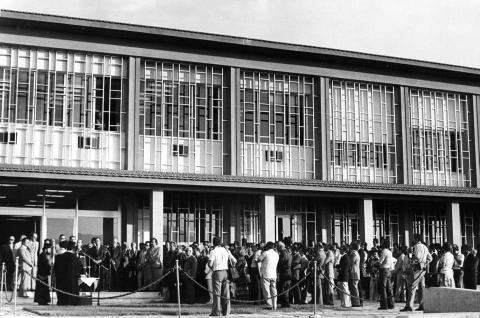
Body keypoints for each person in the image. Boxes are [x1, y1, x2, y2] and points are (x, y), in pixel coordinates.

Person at [401, 234, 432, 312]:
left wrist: (412, 260)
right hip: (423, 269)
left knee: (412, 287)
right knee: (421, 287)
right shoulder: (425, 247)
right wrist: (425, 263)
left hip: (416, 268)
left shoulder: (416, 247)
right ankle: (422, 305)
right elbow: (430, 258)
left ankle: (409, 306)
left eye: (414, 239)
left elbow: (416, 258)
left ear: (416, 239)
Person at [208, 237, 236, 316]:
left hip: (217, 272)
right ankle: (226, 311)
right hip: (226, 272)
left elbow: (210, 264)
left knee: (217, 294)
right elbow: (234, 260)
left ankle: (216, 312)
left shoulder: (213, 251)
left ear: (214, 243)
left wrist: (212, 268)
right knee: (226, 293)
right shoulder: (226, 250)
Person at [54, 240, 85, 305]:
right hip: (71, 280)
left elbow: (55, 269)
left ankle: (62, 302)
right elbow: (80, 268)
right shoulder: (74, 257)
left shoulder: (58, 257)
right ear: (73, 249)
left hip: (61, 280)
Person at [258, 241, 279, 310]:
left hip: (266, 274)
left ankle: (269, 304)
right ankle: (274, 304)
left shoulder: (265, 253)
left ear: (267, 246)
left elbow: (258, 259)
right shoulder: (276, 254)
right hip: (273, 274)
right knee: (274, 290)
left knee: (266, 290)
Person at [377, 240, 394, 310]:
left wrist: (374, 265)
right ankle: (391, 304)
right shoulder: (390, 252)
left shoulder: (384, 251)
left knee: (383, 288)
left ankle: (384, 305)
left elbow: (380, 261)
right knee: (389, 288)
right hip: (388, 270)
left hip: (383, 270)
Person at [34, 240, 52, 305]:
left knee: (44, 289)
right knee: (42, 288)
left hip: (44, 274)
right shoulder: (42, 256)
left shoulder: (44, 255)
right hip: (42, 274)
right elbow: (45, 265)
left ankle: (44, 300)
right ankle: (41, 301)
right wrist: (49, 268)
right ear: (46, 249)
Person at [276, 241, 291, 308]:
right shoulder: (288, 253)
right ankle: (286, 303)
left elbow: (281, 262)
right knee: (286, 289)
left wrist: (278, 267)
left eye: (277, 246)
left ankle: (285, 303)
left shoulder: (283, 253)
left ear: (280, 247)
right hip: (288, 272)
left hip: (284, 272)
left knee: (283, 289)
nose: (276, 248)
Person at [349, 242, 361, 307]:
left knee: (354, 288)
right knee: (354, 288)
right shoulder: (356, 253)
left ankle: (356, 303)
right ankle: (355, 302)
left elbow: (351, 262)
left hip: (353, 272)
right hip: (356, 272)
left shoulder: (353, 253)